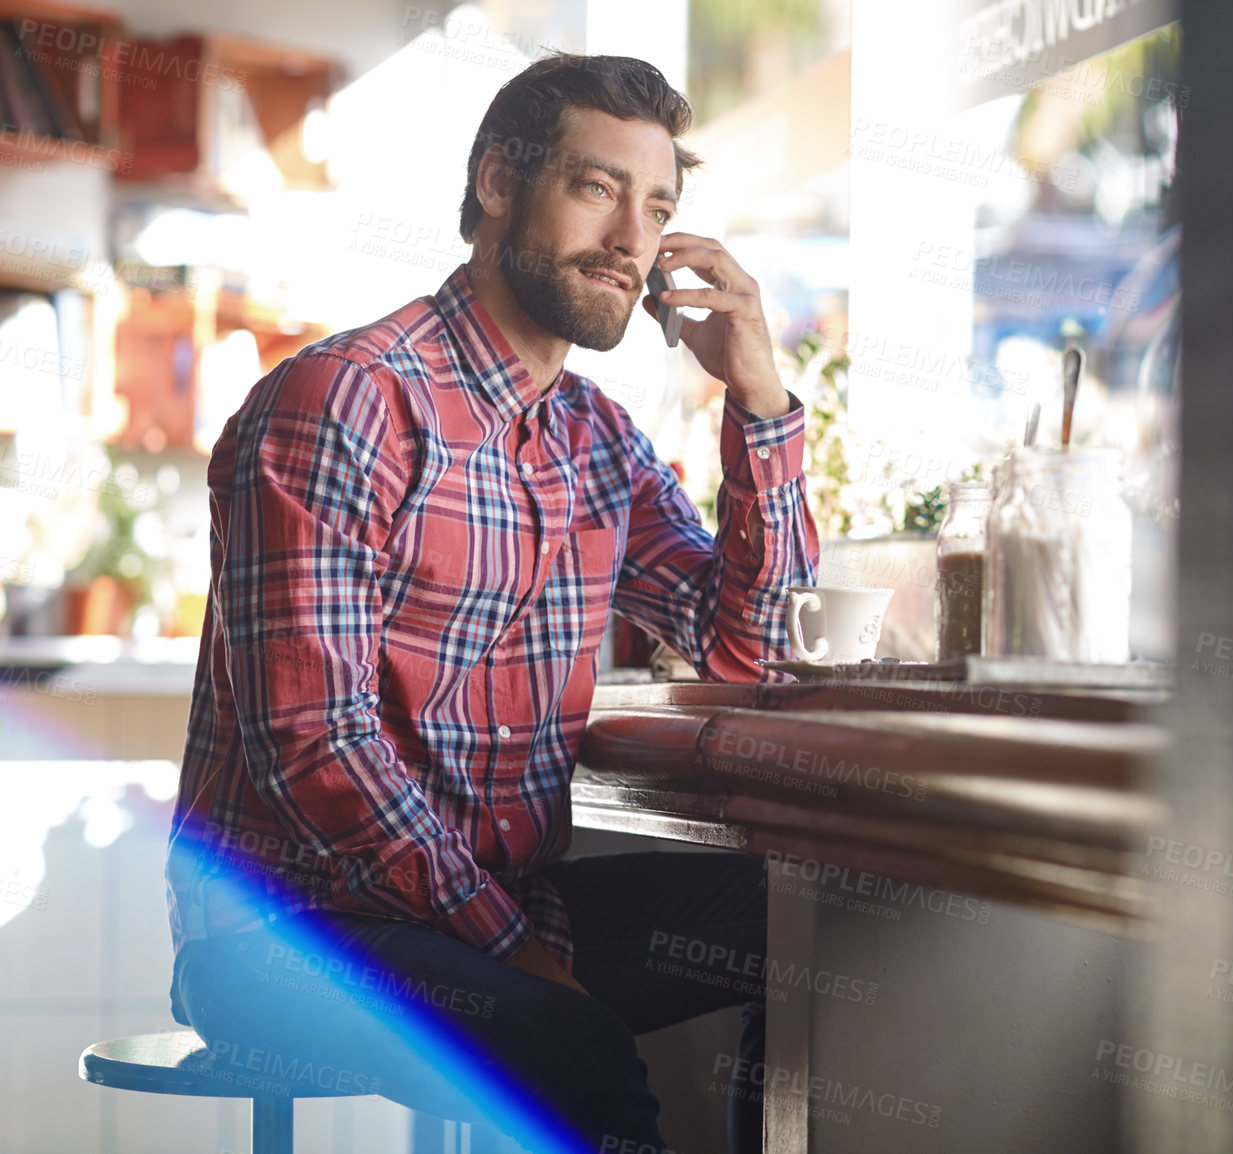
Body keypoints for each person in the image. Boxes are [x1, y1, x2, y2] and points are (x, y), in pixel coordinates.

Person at [163, 53, 818, 1153]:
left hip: (502, 916)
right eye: (596, 187)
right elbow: (311, 743)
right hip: (287, 938)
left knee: (806, 928)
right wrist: (509, 945)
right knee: (572, 1043)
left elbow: (748, 649)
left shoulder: (596, 441)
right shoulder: (343, 401)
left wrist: (759, 399)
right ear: (498, 186)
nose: (630, 238)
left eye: (656, 207)